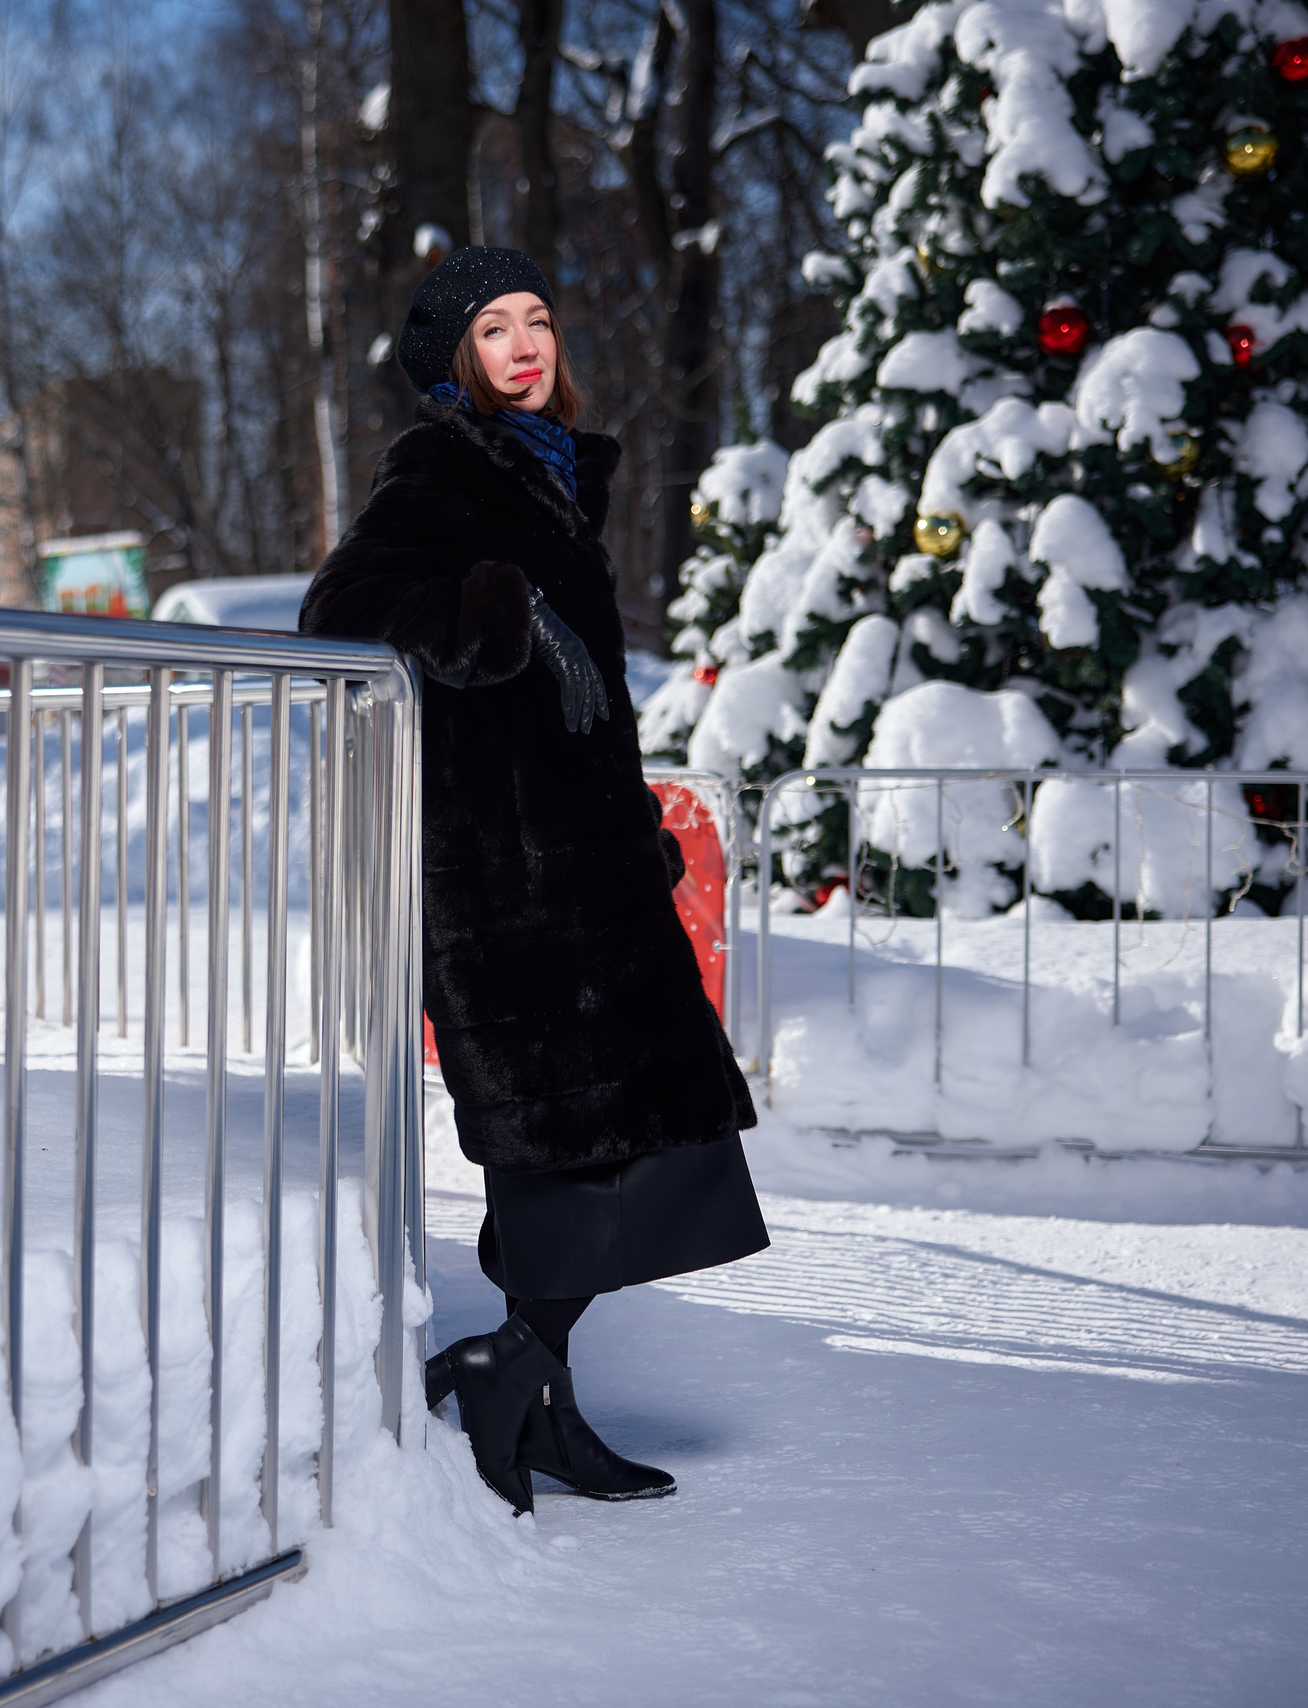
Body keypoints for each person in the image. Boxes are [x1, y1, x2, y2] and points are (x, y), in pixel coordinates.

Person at [300, 247, 768, 1515]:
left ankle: (529, 1380)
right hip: (502, 877)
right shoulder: (442, 462)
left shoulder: (555, 473)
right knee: (571, 1152)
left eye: (538, 321)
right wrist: (499, 614)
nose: (523, 343)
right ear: (455, 356)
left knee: (654, 1143)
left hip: (587, 869)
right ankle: (517, 1374)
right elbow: (342, 609)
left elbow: (584, 702)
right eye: (493, 327)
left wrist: (627, 826)